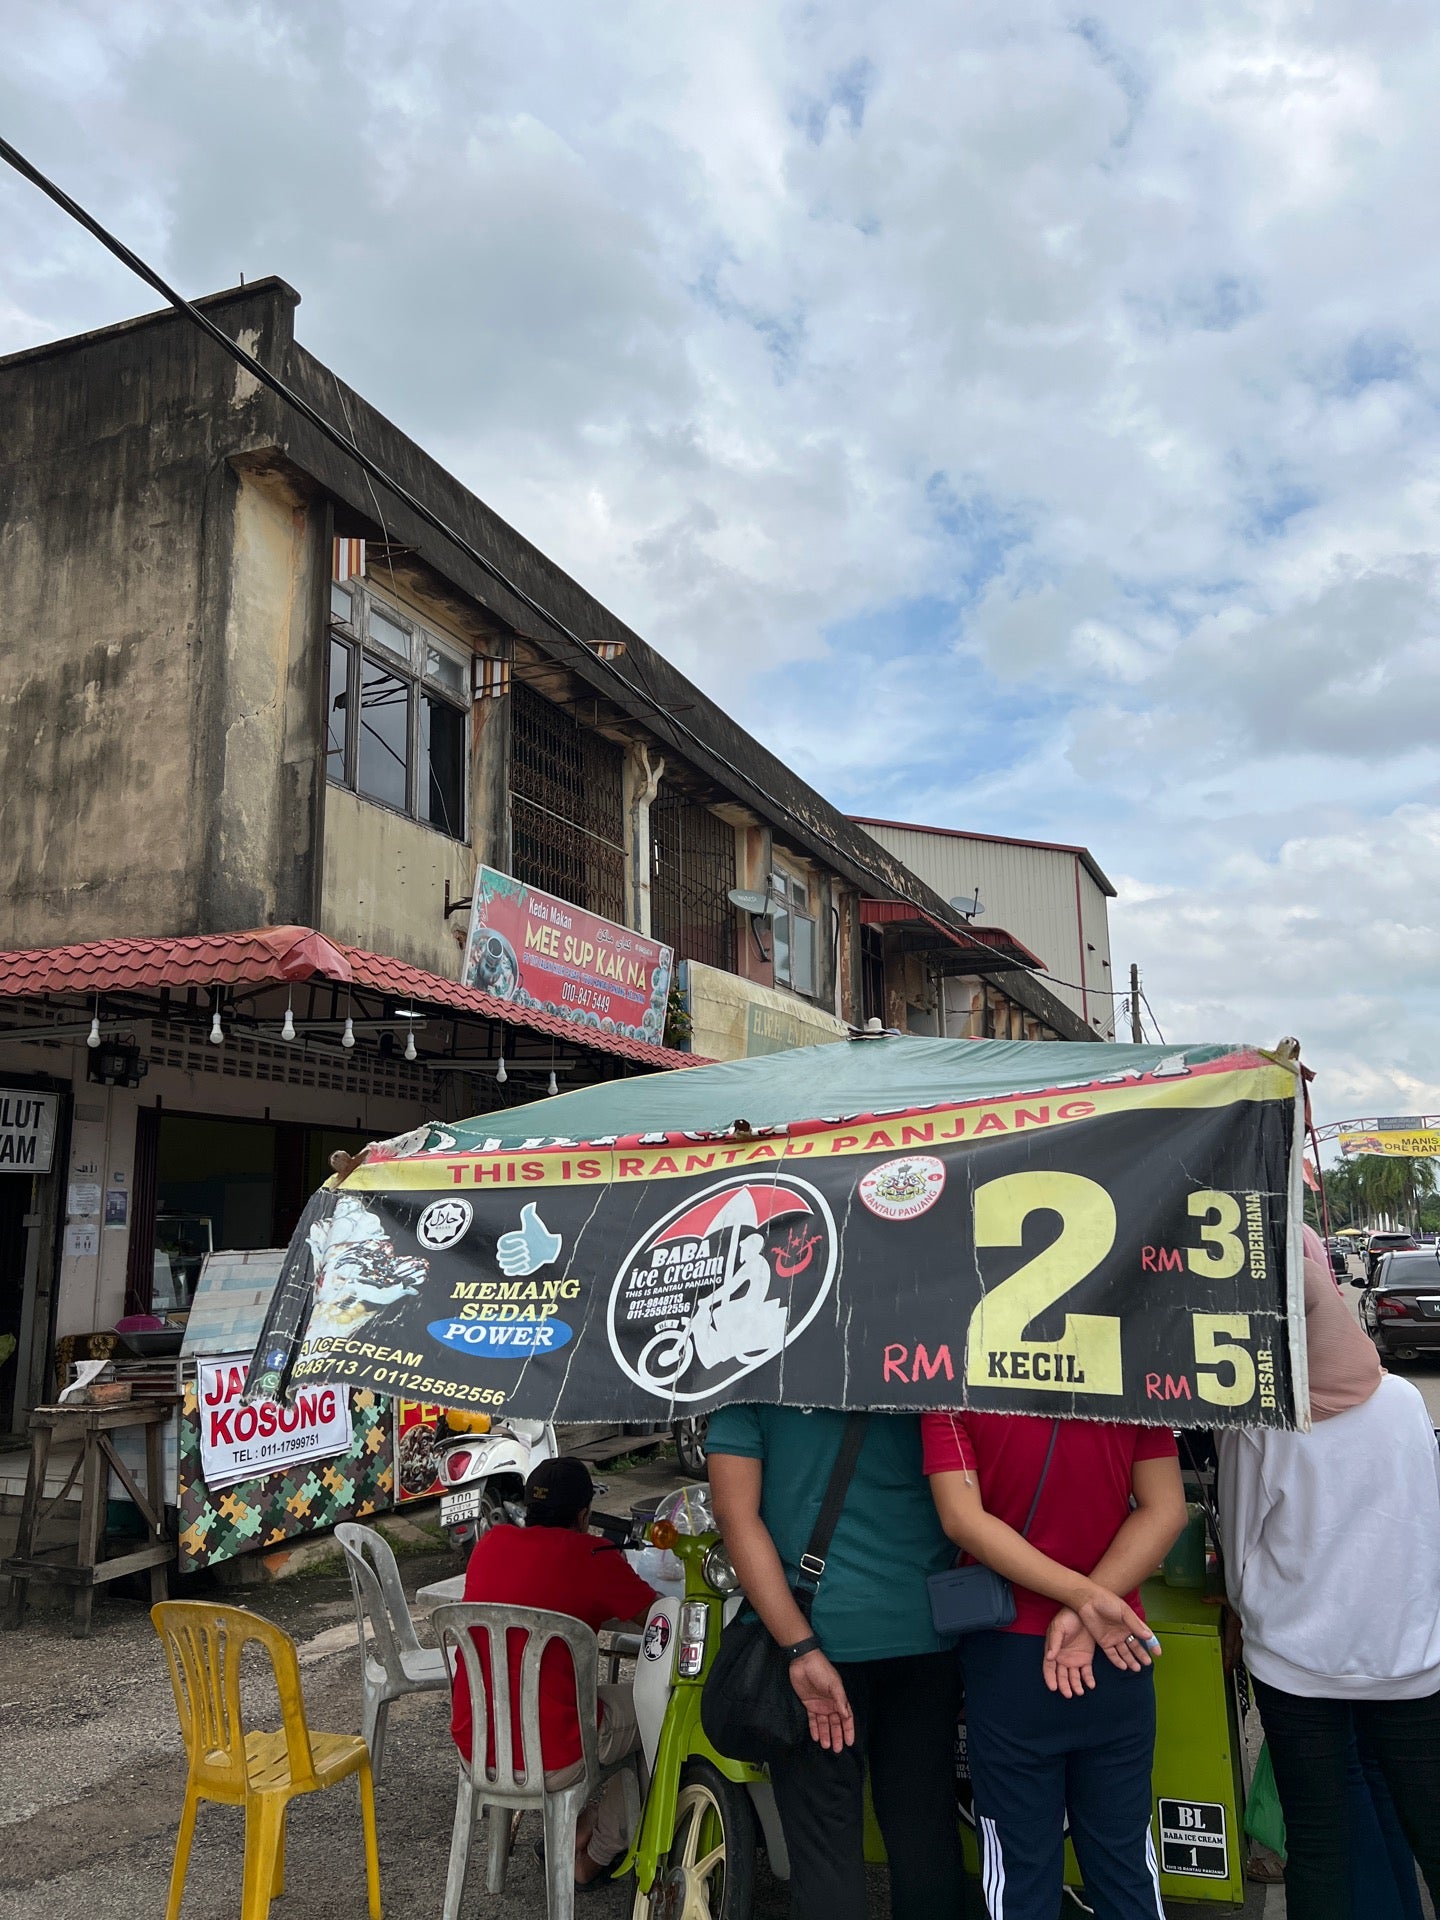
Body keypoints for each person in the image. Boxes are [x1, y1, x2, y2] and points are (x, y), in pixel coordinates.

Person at [1217, 1224, 1440, 1920]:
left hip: (1297, 1666)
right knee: (1431, 1826)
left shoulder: (1260, 1421)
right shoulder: (1405, 1401)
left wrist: (1241, 1612)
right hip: (1410, 1658)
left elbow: (1239, 1543)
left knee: (1318, 1842)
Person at [707, 1405, 975, 1920]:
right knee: (925, 1832)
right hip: (927, 1636)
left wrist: (799, 1647)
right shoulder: (932, 1374)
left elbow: (734, 1516)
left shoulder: (754, 1380)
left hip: (817, 1640)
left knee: (824, 1849)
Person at [923, 1408, 1186, 1919]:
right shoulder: (1132, 1381)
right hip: (1117, 1644)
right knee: (1126, 1862)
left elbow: (962, 1519)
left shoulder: (954, 1384)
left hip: (1010, 1653)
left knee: (1019, 1872)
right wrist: (1092, 1604)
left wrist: (1081, 1601)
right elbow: (1167, 1510)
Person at [450, 1456, 657, 1887]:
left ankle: (578, 1826)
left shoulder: (490, 1545)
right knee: (658, 1708)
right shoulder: (594, 1556)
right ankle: (593, 1857)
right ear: (584, 1516)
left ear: (528, 1507)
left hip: (479, 1747)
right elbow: (661, 1618)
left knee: (564, 1697)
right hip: (556, 1757)